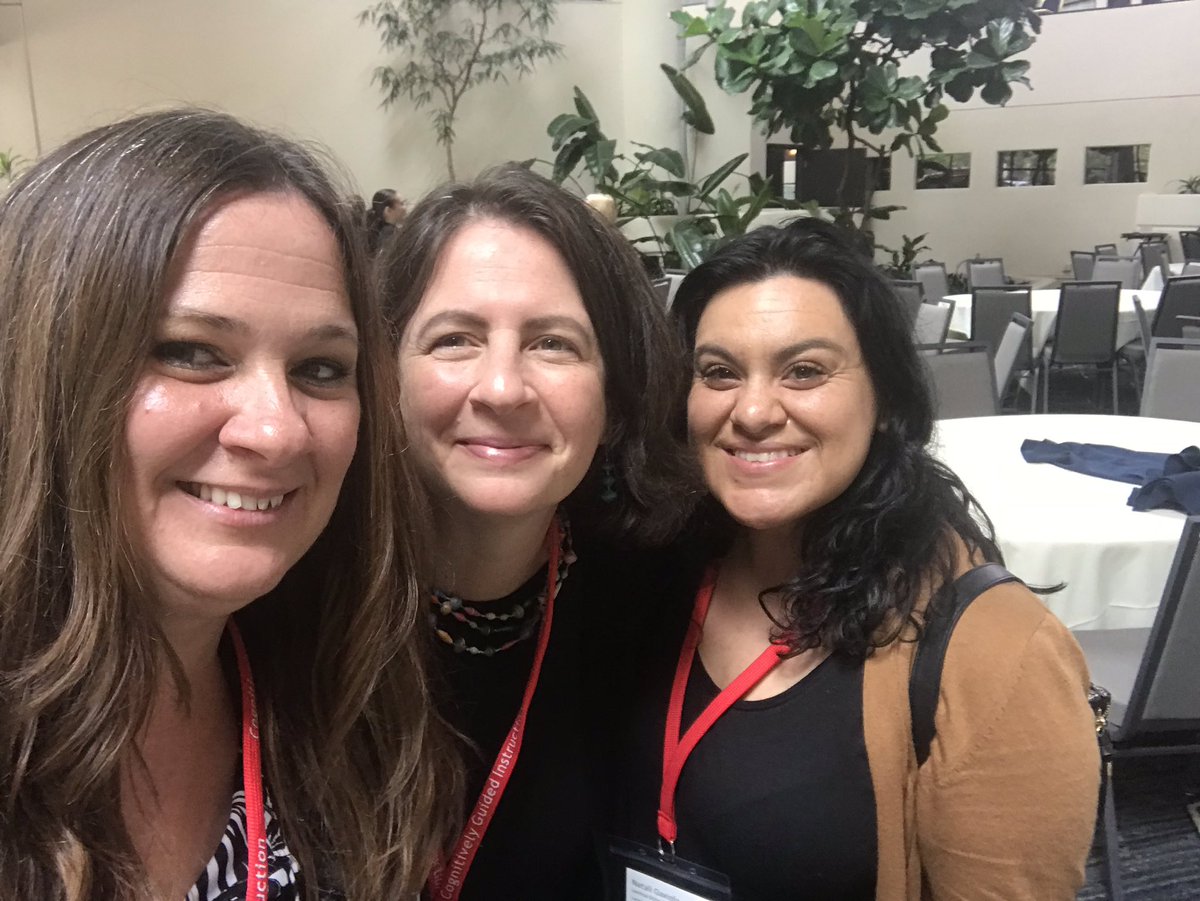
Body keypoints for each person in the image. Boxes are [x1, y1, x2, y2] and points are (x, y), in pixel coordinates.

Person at [0, 109, 461, 900]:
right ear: (46, 372)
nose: (277, 430)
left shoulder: (344, 714)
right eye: (191, 352)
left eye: (320, 368)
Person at [614, 219, 1100, 900]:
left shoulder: (994, 653)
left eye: (805, 370)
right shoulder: (658, 565)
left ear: (885, 398)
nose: (752, 410)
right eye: (719, 372)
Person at [377, 164, 692, 901]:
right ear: (383, 377)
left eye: (553, 344)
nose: (503, 388)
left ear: (615, 398)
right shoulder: (295, 603)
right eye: (454, 338)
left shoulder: (653, 587)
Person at [366, 187, 407, 252]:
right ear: (388, 210)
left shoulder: (374, 230)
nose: (405, 208)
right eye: (402, 204)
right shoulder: (387, 237)